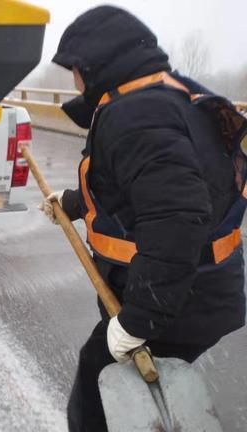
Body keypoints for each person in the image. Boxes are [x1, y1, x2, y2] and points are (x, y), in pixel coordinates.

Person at [39, 6, 247, 432]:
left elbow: (177, 216)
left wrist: (140, 321)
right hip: (198, 290)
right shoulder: (161, 97)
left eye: (76, 70)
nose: (75, 81)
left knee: (99, 387)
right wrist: (76, 202)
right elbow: (141, 189)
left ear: (94, 64)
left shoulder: (136, 115)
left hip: (181, 298)